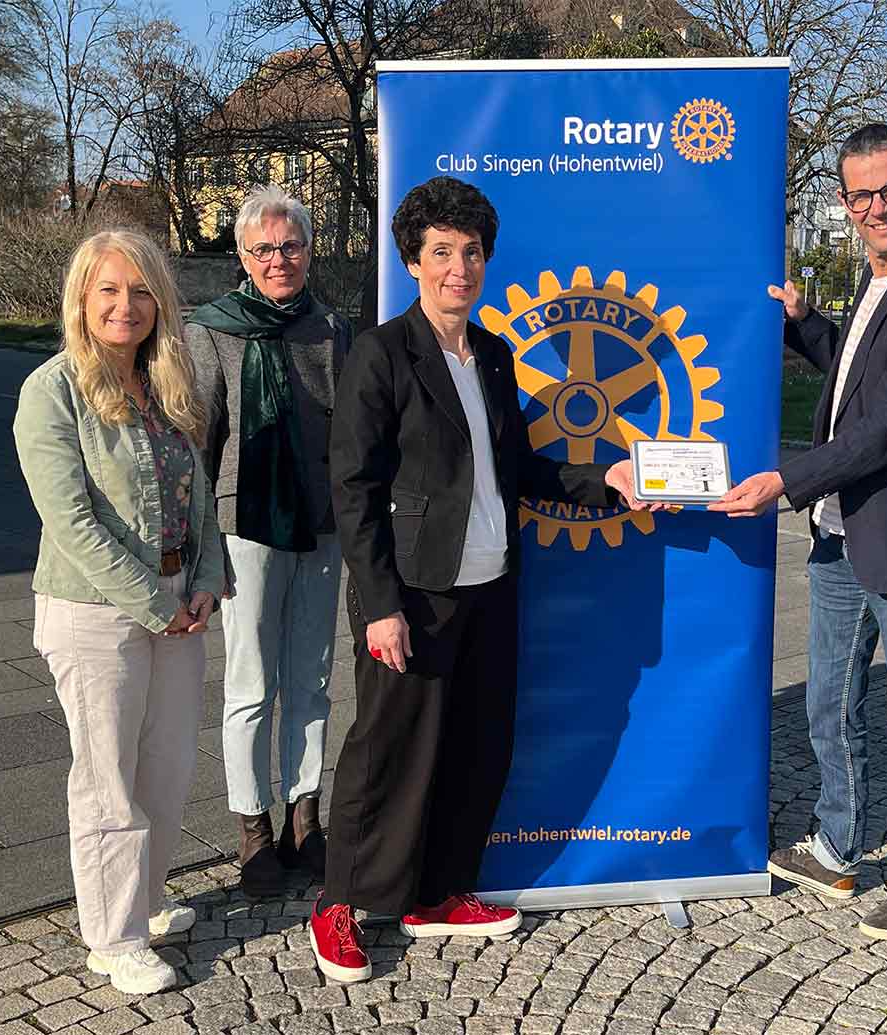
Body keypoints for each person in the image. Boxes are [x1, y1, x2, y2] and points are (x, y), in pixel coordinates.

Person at [309, 175, 649, 981]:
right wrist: (379, 608)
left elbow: (519, 467)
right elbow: (353, 489)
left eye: (470, 252)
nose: (458, 267)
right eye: (441, 253)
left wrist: (610, 479)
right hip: (415, 594)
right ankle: (338, 905)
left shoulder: (492, 354)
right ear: (414, 260)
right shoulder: (382, 354)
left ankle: (438, 892)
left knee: (474, 747)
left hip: (491, 586)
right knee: (385, 750)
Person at [710, 123, 887, 940]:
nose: (876, 206)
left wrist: (788, 479)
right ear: (845, 200)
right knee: (829, 703)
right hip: (840, 533)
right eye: (860, 194)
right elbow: (859, 374)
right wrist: (803, 322)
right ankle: (837, 844)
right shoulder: (879, 278)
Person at [15, 230, 224, 994]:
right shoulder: (53, 390)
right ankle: (112, 936)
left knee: (166, 771)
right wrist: (151, 601)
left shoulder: (169, 385)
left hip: (179, 606)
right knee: (107, 777)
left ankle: (145, 897)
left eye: (140, 291)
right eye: (109, 289)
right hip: (94, 608)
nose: (125, 306)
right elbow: (71, 519)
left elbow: (198, 493)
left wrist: (204, 576)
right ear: (82, 298)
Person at [186, 185, 352, 897]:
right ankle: (253, 828)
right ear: (243, 256)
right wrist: (196, 544)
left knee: (312, 677)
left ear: (309, 252)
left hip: (321, 521)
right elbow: (198, 438)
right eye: (263, 248)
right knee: (251, 681)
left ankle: (304, 816)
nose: (278, 259)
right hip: (245, 518)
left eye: (290, 246)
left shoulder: (333, 329)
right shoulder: (211, 326)